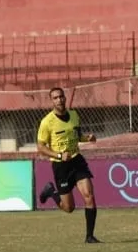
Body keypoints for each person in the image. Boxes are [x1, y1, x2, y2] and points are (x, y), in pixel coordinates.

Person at [36, 87, 100, 243]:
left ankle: (89, 236)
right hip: (61, 166)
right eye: (55, 98)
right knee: (69, 208)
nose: (59, 100)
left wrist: (87, 138)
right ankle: (51, 191)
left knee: (89, 196)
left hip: (76, 160)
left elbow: (78, 136)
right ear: (52, 101)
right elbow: (41, 147)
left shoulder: (74, 115)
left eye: (61, 96)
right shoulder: (47, 122)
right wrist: (59, 155)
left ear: (65, 98)